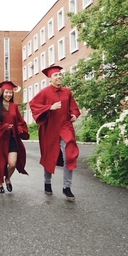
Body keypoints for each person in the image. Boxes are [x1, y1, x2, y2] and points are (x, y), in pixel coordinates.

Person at [28, 65, 81, 201]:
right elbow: (34, 105)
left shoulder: (67, 92)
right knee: (49, 156)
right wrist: (49, 107)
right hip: (50, 129)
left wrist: (74, 115)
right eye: (55, 75)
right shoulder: (44, 92)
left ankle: (67, 187)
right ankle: (47, 183)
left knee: (70, 155)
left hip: (65, 127)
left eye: (59, 74)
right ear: (50, 78)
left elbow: (74, 108)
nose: (58, 77)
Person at [0, 81, 30, 193]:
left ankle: (7, 178)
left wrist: (19, 129)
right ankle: (0, 183)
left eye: (10, 92)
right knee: (0, 164)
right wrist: (4, 127)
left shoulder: (14, 106)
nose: (9, 94)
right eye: (6, 92)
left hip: (12, 138)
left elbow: (20, 121)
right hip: (0, 139)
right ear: (2, 92)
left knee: (12, 163)